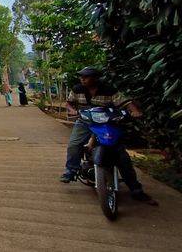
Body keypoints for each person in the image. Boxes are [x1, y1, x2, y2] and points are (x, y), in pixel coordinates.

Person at [59, 67, 156, 204]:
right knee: (74, 144)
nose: (82, 79)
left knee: (121, 155)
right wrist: (73, 110)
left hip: (106, 123)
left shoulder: (109, 90)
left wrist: (135, 112)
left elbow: (126, 103)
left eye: (86, 77)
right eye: (81, 77)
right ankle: (71, 170)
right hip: (85, 121)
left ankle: (136, 189)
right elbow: (69, 103)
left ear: (95, 78)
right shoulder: (77, 89)